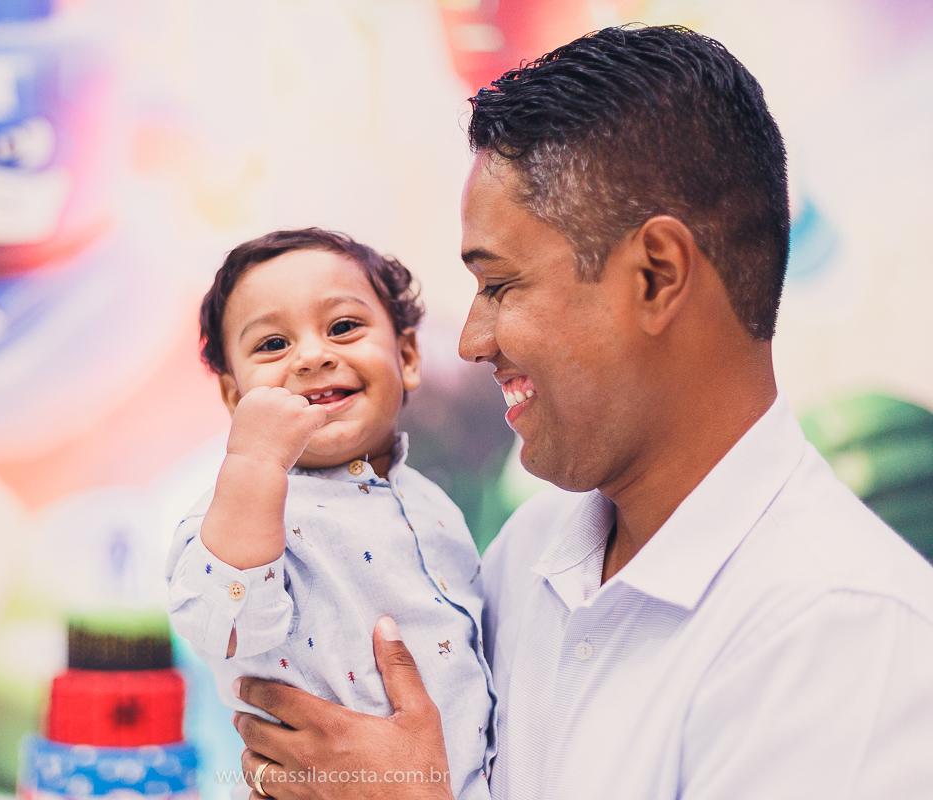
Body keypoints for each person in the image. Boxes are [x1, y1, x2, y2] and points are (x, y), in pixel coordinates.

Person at [229, 25, 933, 800]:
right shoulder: (533, 549)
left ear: (657, 277)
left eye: (500, 285)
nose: (471, 341)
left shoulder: (847, 634)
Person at [164, 229, 495, 800]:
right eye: (271, 345)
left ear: (408, 357)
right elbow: (220, 624)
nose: (313, 356)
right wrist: (257, 460)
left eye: (343, 327)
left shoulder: (433, 506)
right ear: (233, 396)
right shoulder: (247, 505)